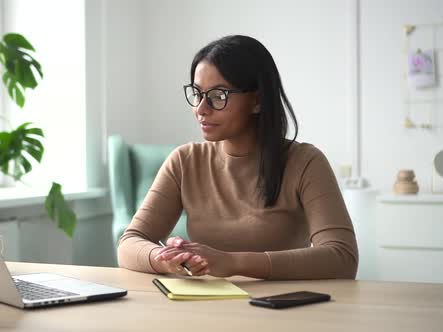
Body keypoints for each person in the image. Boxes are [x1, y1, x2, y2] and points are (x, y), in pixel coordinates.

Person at [117, 35, 358, 280]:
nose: (201, 108)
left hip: (281, 310)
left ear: (257, 101)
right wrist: (166, 259)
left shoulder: (306, 162)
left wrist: (234, 262)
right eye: (197, 93)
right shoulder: (184, 161)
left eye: (218, 96)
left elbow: (342, 257)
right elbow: (129, 243)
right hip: (207, 306)